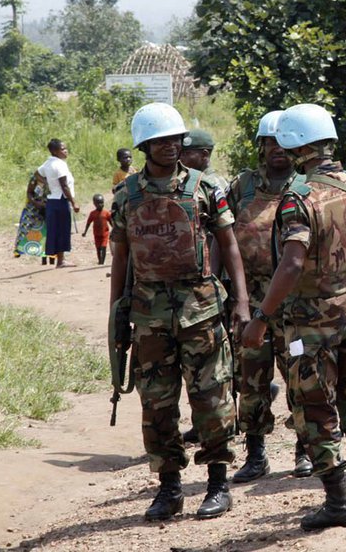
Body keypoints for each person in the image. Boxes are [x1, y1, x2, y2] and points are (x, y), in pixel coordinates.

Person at [240, 103, 346, 531]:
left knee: (316, 406)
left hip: (310, 324)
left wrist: (261, 317)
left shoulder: (298, 198)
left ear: (293, 144)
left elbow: (292, 263)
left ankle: (338, 502)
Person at [110, 102, 250, 521]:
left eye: (175, 139)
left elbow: (229, 245)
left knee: (212, 400)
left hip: (201, 310)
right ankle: (169, 487)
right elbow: (121, 258)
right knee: (157, 405)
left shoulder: (206, 188)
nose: (170, 146)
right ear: (144, 145)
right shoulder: (127, 196)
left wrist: (241, 301)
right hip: (149, 316)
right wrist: (117, 314)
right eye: (160, 141)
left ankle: (217, 484)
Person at [225, 110, 313, 483]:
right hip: (250, 300)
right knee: (251, 378)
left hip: (296, 302)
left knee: (298, 374)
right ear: (260, 147)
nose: (277, 149)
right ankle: (256, 452)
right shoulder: (241, 186)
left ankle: (305, 448)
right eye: (270, 142)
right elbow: (222, 239)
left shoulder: (308, 186)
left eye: (284, 143)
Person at [38, 139, 79, 268]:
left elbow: (37, 174)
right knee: (62, 230)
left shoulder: (47, 163)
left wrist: (47, 183)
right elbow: (64, 185)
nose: (65, 151)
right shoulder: (60, 165)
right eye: (62, 149)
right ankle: (61, 261)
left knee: (54, 230)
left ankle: (59, 260)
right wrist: (73, 202)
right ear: (54, 151)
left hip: (52, 201)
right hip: (61, 200)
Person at [15, 171, 50, 261]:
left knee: (48, 229)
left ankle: (46, 251)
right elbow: (29, 193)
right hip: (34, 205)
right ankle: (18, 250)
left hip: (49, 205)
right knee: (25, 226)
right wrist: (35, 203)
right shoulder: (34, 179)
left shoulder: (54, 178)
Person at [82, 193, 110, 265]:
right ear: (94, 204)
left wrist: (115, 229)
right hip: (96, 234)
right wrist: (85, 232)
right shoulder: (92, 213)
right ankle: (99, 260)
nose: (101, 205)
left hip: (105, 234)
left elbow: (111, 221)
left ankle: (102, 262)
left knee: (103, 247)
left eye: (102, 203)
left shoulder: (106, 213)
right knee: (98, 248)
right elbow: (88, 223)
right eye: (99, 203)